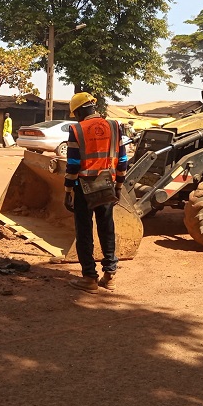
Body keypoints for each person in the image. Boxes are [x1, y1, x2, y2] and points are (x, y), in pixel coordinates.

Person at [64, 92, 128, 294]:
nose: (75, 117)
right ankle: (110, 276)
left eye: (75, 113)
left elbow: (73, 164)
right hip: (107, 184)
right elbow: (123, 160)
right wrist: (118, 186)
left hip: (84, 187)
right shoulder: (115, 126)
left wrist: (68, 190)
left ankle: (90, 278)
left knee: (84, 231)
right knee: (107, 228)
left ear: (81, 110)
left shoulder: (76, 129)